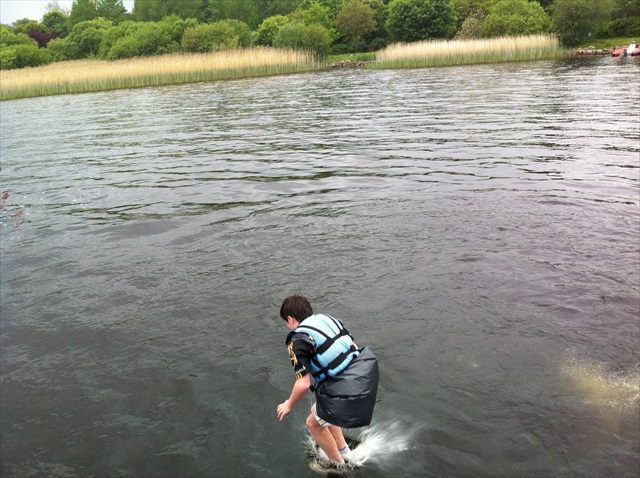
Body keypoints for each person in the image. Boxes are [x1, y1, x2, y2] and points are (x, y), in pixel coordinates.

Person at [276, 295, 379, 465]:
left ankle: (338, 466)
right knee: (319, 410)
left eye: (286, 323)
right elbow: (352, 347)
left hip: (347, 388)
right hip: (365, 377)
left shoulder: (298, 340)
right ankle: (344, 451)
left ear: (290, 319)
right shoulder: (327, 320)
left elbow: (303, 384)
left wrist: (288, 405)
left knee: (312, 424)